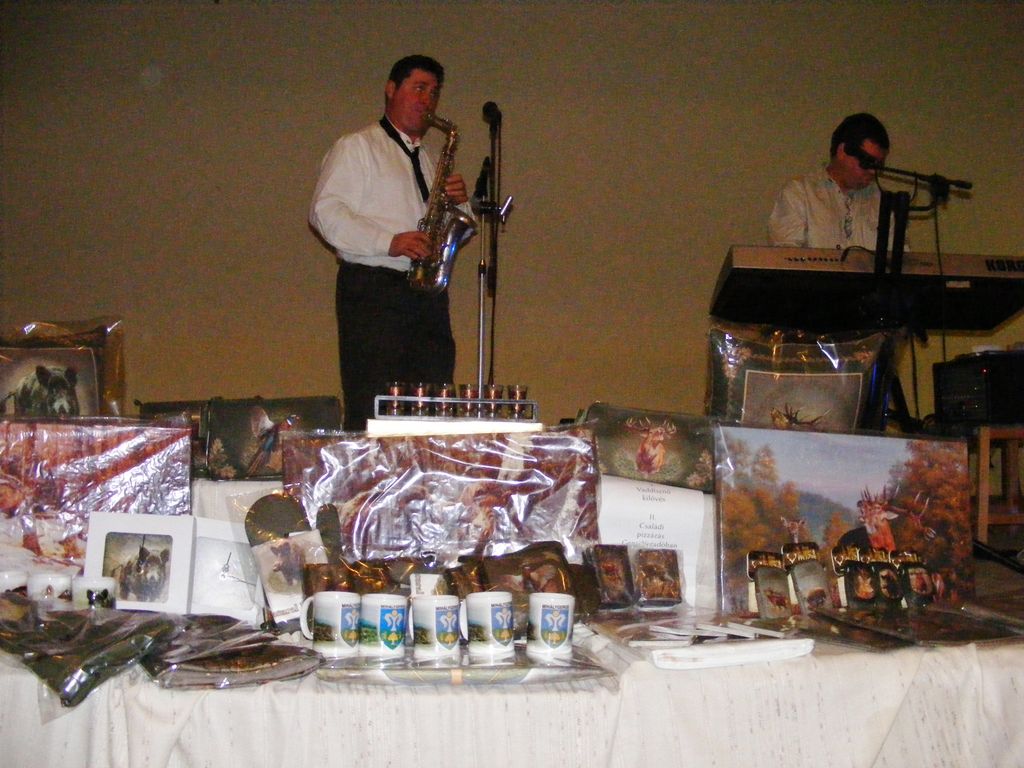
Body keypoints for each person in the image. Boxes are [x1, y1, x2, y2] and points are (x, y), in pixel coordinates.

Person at [309, 55, 471, 431]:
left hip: (426, 294)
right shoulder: (357, 147)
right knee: (375, 403)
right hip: (375, 292)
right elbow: (325, 213)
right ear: (391, 89)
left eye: (434, 93)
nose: (427, 100)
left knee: (432, 403)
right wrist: (390, 241)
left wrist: (459, 204)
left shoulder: (429, 159)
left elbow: (451, 229)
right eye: (419, 88)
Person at [768, 113, 891, 251]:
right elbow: (786, 256)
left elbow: (901, 257)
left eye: (879, 165)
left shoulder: (883, 201)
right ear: (842, 151)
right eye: (867, 162)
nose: (873, 171)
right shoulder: (799, 193)